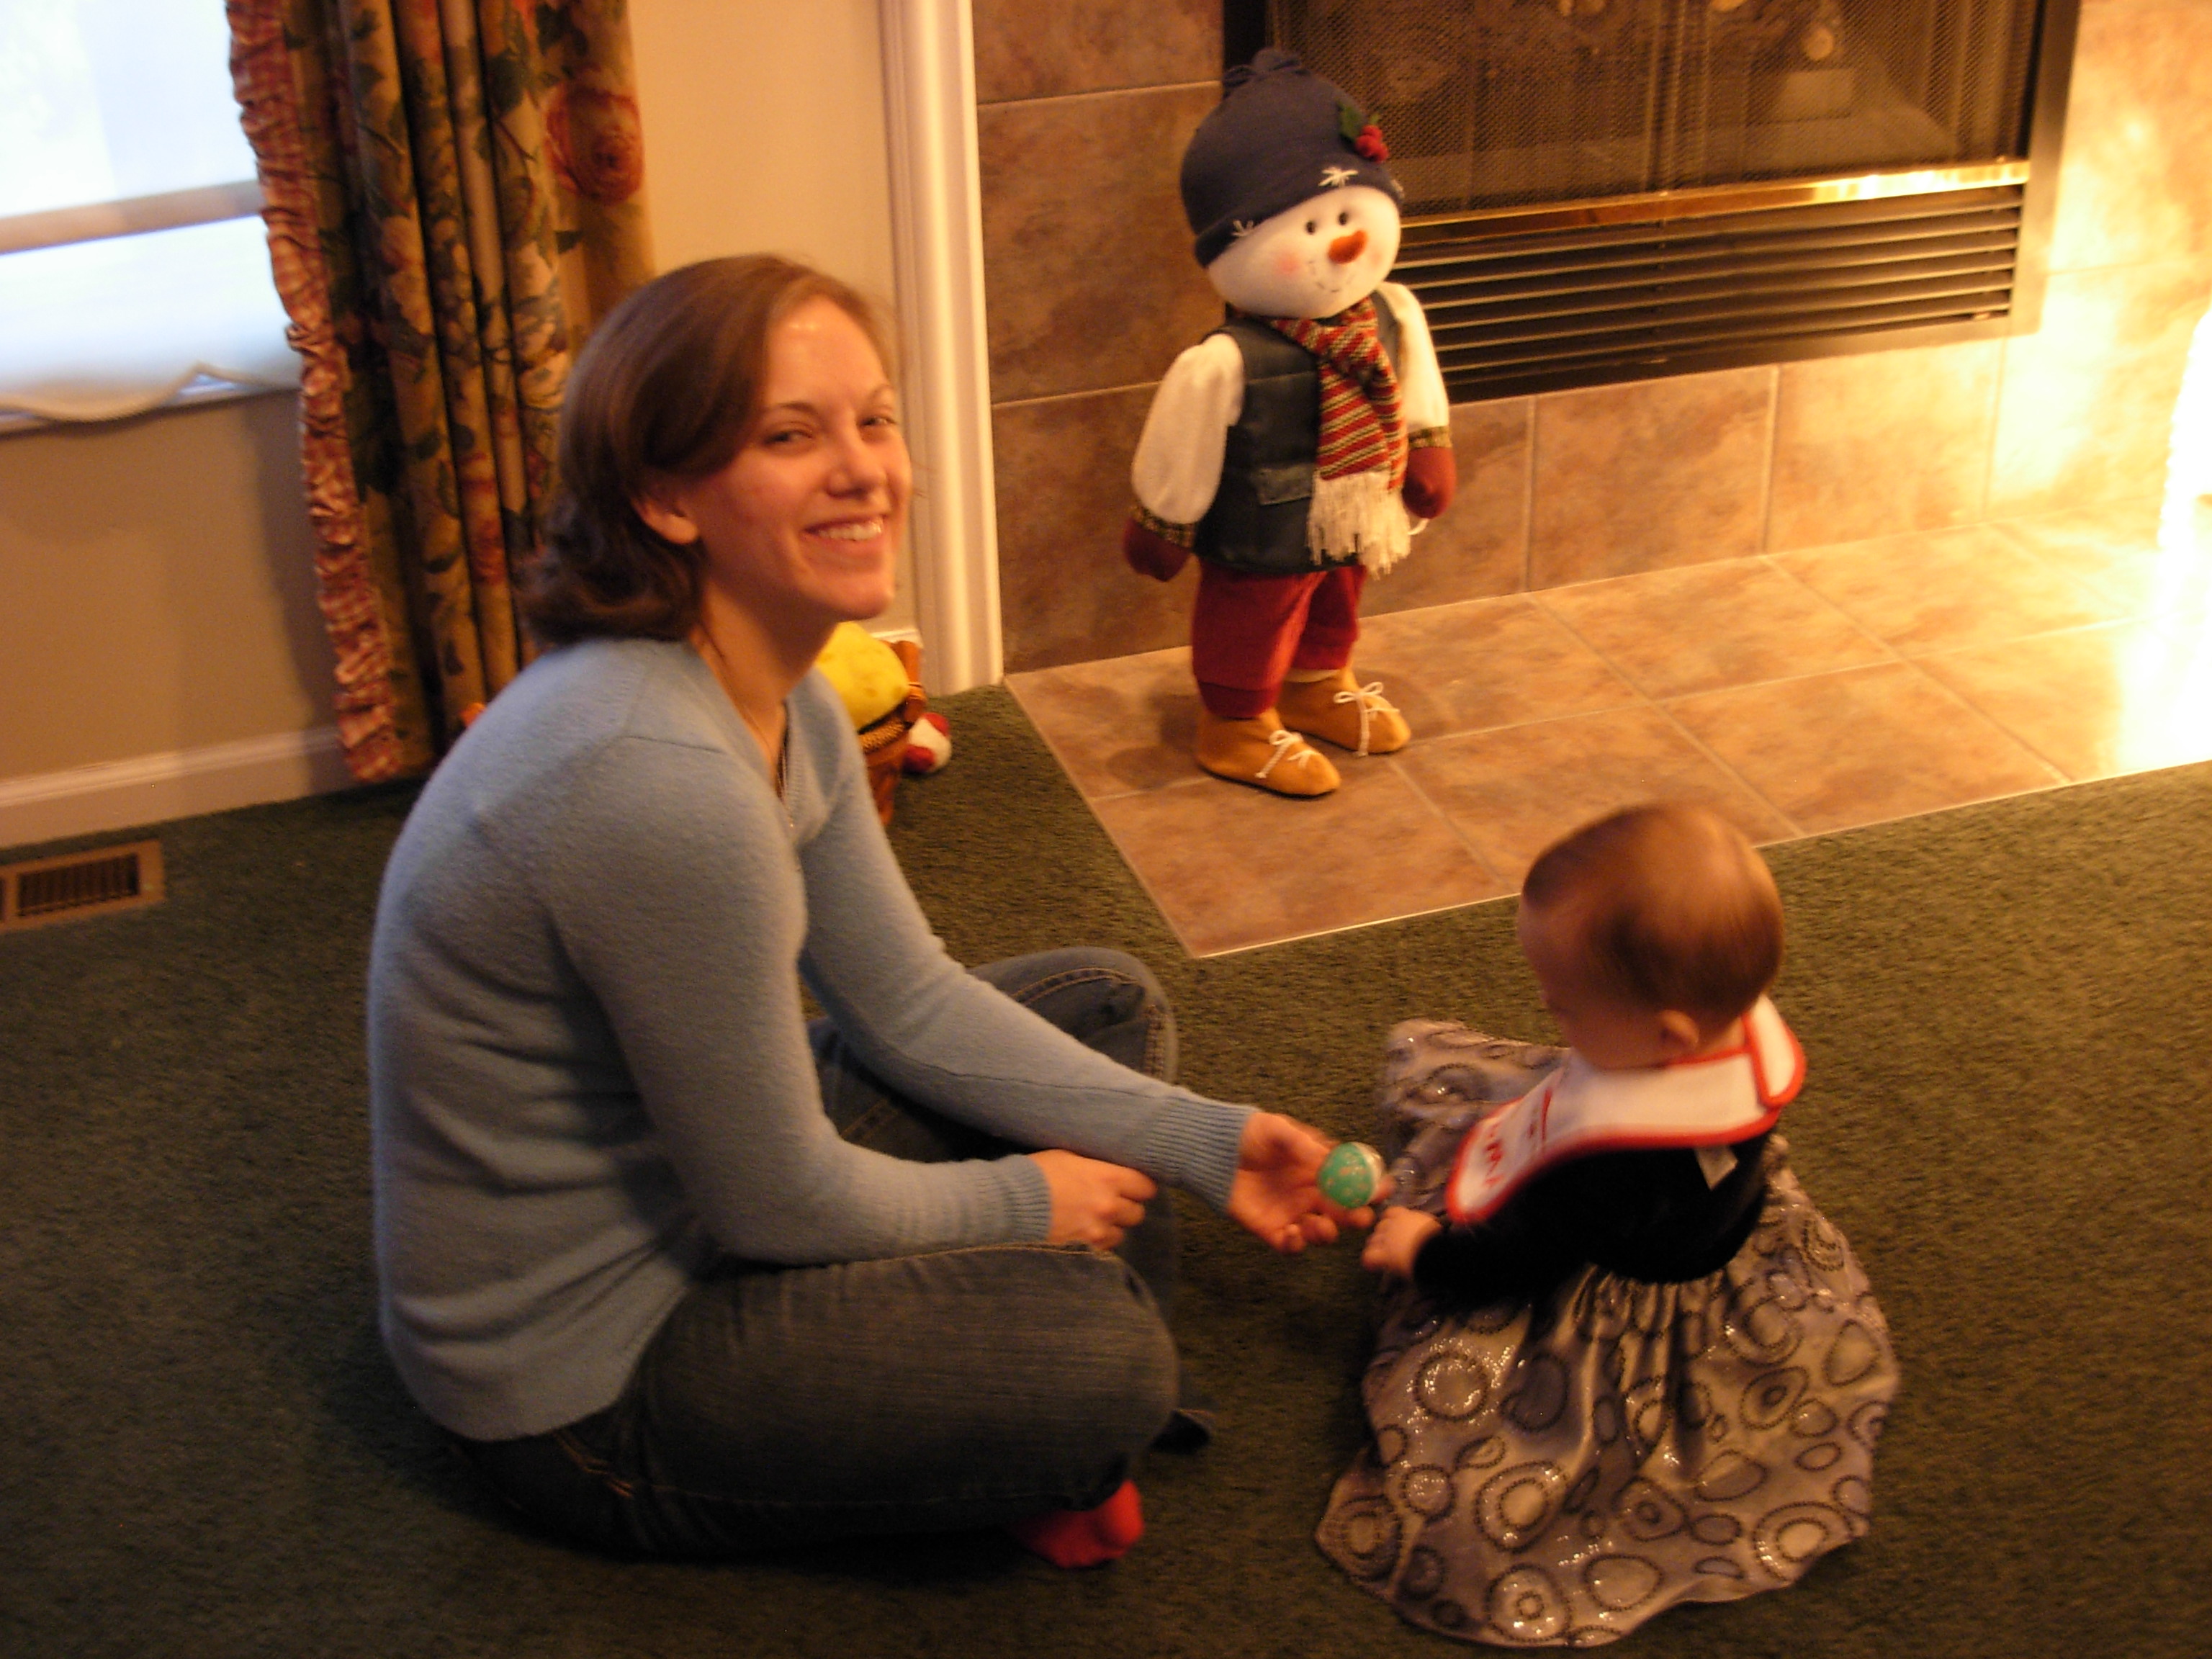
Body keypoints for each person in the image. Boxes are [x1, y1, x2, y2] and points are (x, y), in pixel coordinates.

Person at [367, 254, 1370, 1570]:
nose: (863, 469)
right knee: (1107, 1358)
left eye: (874, 419)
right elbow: (775, 1200)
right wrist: (1025, 1202)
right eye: (790, 436)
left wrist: (1207, 1140)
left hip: (692, 1176)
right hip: (587, 1375)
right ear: (666, 496)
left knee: (1102, 1002)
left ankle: (985, 1360)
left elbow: (905, 1000)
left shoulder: (780, 689)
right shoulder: (657, 780)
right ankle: (1025, 1391)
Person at [1316, 804, 1899, 1645]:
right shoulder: (1728, 1025)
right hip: (1701, 1214)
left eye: (1563, 1009)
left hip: (1621, 1290)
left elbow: (1517, 1258)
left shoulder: (1612, 1170)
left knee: (1467, 1414)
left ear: (1667, 1038)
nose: (1547, 1010)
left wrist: (1426, 1251)